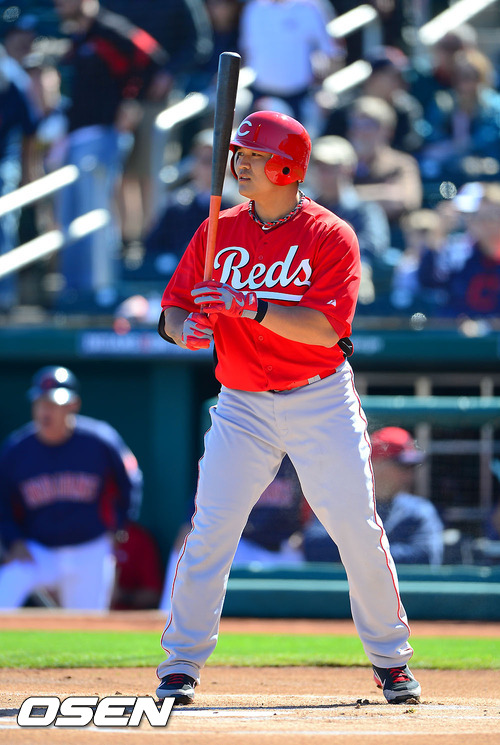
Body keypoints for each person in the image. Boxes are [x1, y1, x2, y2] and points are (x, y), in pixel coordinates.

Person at [154, 109, 421, 706]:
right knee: (210, 530)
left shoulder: (331, 234)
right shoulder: (217, 228)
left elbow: (327, 330)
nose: (242, 165)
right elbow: (172, 308)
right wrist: (183, 329)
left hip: (318, 396)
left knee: (355, 527)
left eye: (255, 156)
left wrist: (247, 306)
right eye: (240, 155)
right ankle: (180, 664)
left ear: (287, 167)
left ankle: (391, 660)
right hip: (241, 401)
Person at [51, 0, 167, 310]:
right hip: (77, 137)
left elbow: (153, 59)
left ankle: (102, 288)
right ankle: (78, 289)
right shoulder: (78, 37)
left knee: (99, 214)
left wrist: (132, 102)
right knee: (75, 219)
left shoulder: (112, 30)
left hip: (104, 135)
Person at [0, 365, 141, 609]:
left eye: (54, 404)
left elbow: (130, 480)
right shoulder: (16, 449)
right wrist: (14, 540)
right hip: (38, 552)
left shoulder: (100, 440)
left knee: (88, 624)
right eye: (41, 403)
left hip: (90, 549)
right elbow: (2, 502)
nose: (46, 411)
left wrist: (119, 527)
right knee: (5, 595)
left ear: (73, 405)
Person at [304, 427, 444, 566]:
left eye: (411, 467)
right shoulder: (340, 503)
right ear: (375, 463)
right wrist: (378, 551)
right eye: (402, 466)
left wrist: (353, 551)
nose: (409, 475)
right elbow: (313, 547)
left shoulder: (419, 510)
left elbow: (426, 556)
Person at [308, 134, 391, 307]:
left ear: (348, 169)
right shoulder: (304, 208)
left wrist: (340, 242)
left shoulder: (365, 209)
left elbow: (375, 245)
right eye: (318, 166)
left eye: (330, 167)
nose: (323, 173)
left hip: (348, 276)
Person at [238, 0, 343, 124]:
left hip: (300, 97)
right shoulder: (253, 8)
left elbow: (332, 53)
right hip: (259, 94)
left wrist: (324, 90)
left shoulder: (312, 7)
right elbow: (246, 51)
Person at [346, 95, 423, 248]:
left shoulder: (401, 163)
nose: (361, 131)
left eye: (369, 125)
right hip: (346, 239)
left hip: (392, 242)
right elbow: (324, 199)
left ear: (388, 130)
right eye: (356, 124)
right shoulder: (341, 162)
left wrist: (348, 196)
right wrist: (383, 192)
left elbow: (405, 200)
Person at [111, 520, 164, 610]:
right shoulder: (89, 541)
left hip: (124, 615)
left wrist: (121, 595)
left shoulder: (137, 539)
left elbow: (152, 594)